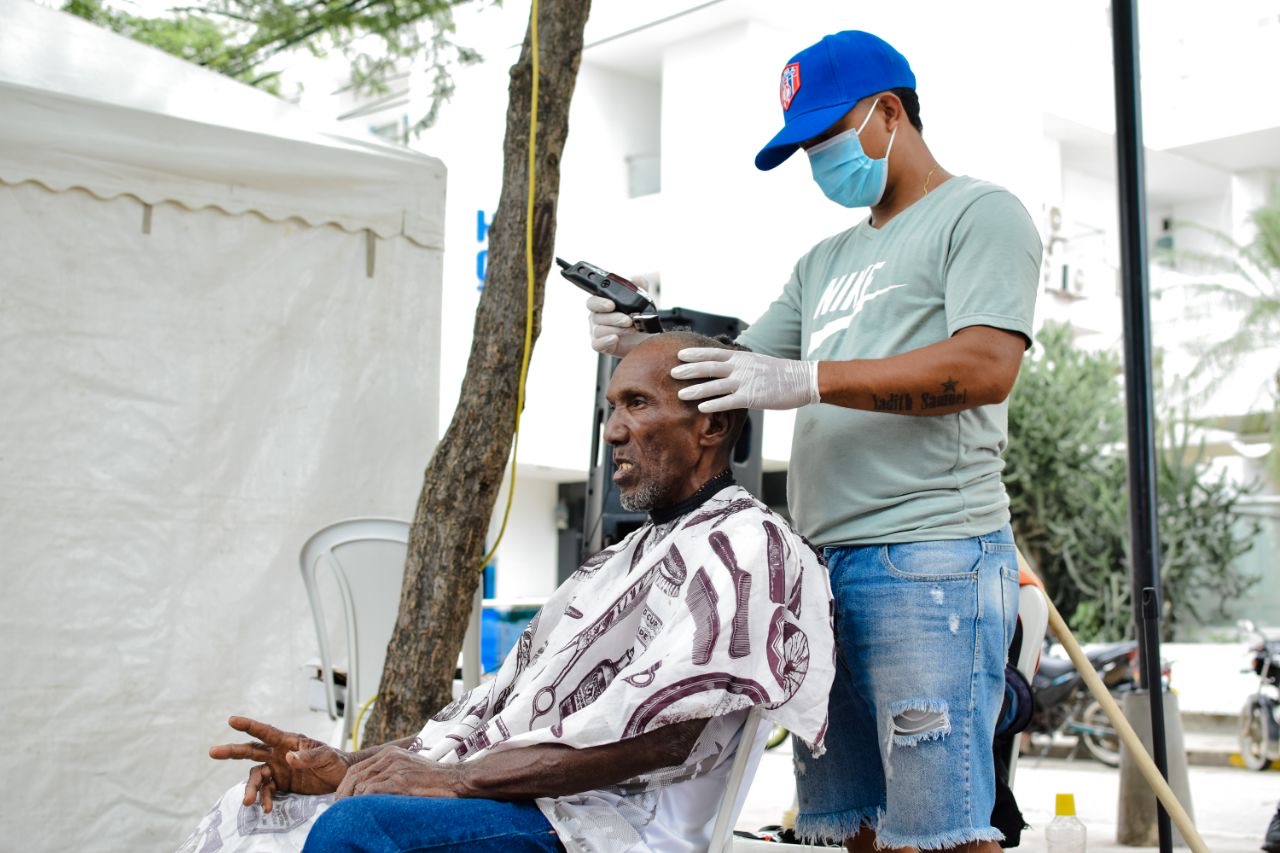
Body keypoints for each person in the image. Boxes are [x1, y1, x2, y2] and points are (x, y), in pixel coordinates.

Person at [586, 30, 1041, 853]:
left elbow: (985, 365)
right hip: (820, 570)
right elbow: (729, 367)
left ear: (889, 112)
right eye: (807, 149)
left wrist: (814, 378)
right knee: (844, 823)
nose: (819, 161)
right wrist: (643, 338)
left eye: (828, 137)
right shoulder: (823, 262)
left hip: (929, 557)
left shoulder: (979, 214)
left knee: (941, 831)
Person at [178, 331, 835, 853]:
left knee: (361, 829)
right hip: (531, 801)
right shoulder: (624, 558)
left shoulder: (750, 545)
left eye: (637, 403)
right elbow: (502, 711)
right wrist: (349, 764)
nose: (612, 430)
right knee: (261, 809)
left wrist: (454, 780)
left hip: (614, 825)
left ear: (711, 427)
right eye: (612, 407)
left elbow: (667, 738)